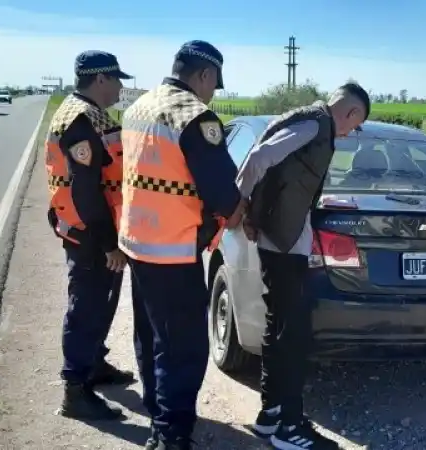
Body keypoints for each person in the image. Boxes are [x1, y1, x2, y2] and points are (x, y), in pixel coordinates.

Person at [119, 40, 245, 450]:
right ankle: (172, 437)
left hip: (138, 243)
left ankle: (159, 415)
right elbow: (226, 195)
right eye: (213, 84)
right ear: (204, 75)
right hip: (173, 250)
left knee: (152, 337)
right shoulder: (194, 116)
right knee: (183, 348)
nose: (212, 93)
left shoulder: (138, 107)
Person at [238, 82, 370, 450]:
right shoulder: (315, 125)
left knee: (278, 328)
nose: (350, 132)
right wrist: (242, 206)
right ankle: (289, 428)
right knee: (293, 334)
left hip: (280, 238)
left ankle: (271, 417)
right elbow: (259, 158)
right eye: (354, 126)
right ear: (352, 113)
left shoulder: (313, 123)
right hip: (283, 244)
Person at [44, 50, 135, 420]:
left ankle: (94, 363)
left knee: (101, 303)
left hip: (93, 229)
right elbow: (86, 192)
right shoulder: (80, 120)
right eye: (117, 80)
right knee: (86, 307)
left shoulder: (90, 114)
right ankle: (75, 391)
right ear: (100, 79)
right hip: (90, 233)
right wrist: (109, 244)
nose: (120, 87)